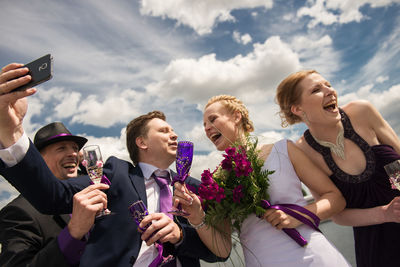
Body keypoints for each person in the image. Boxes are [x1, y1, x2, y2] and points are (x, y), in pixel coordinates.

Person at [0, 62, 226, 266]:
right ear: (142, 142)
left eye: (174, 131)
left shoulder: (195, 189)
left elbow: (218, 253)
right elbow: (52, 195)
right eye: (164, 131)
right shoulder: (116, 173)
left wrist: (180, 234)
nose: (174, 135)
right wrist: (12, 131)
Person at [173, 94, 351, 266]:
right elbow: (223, 249)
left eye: (213, 119)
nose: (207, 128)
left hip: (311, 256)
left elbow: (335, 198)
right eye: (204, 125)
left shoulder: (283, 149)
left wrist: (297, 216)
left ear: (236, 116)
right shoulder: (216, 183)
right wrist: (197, 217)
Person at [275, 70, 400, 267]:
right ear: (298, 109)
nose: (329, 91)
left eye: (328, 84)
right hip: (377, 247)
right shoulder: (302, 152)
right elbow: (338, 214)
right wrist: (385, 213)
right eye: (316, 89)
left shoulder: (362, 111)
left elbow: (396, 161)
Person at [0, 121, 109, 267]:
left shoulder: (97, 196)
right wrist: (72, 234)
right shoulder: (19, 211)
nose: (73, 154)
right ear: (39, 159)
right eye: (61, 148)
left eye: (75, 149)